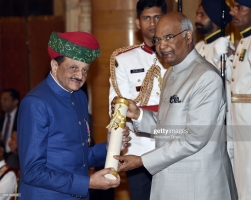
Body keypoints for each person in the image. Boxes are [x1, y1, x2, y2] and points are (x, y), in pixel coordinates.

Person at [113, 12, 238, 200]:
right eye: (157, 39)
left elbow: (193, 138)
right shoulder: (171, 72)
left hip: (199, 185)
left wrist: (142, 160)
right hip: (172, 181)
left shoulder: (205, 76)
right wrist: (138, 114)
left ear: (188, 36)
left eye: (169, 37)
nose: (162, 45)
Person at [17, 31, 130, 200]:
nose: (80, 76)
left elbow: (78, 156)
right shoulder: (35, 103)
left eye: (85, 70)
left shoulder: (79, 97)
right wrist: (87, 183)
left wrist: (109, 146)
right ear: (55, 66)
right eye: (73, 68)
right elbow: (32, 171)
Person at [109, 0, 167, 199]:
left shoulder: (179, 57)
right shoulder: (123, 60)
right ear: (137, 22)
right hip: (139, 151)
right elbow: (118, 110)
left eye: (158, 17)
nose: (152, 23)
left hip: (174, 149)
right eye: (146, 18)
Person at [194, 0, 235, 164]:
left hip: (219, 121)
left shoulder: (224, 46)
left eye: (202, 15)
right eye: (197, 14)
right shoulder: (198, 47)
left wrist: (220, 59)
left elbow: (229, 82)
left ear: (216, 19)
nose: (197, 18)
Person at [229, 0, 251, 199]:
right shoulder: (244, 41)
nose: (232, 12)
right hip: (240, 119)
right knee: (242, 174)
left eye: (240, 7)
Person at [0, 89, 19, 153]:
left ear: (15, 101)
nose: (1, 102)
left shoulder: (22, 117)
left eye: (5, 99)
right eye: (1, 99)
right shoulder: (1, 120)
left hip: (17, 154)